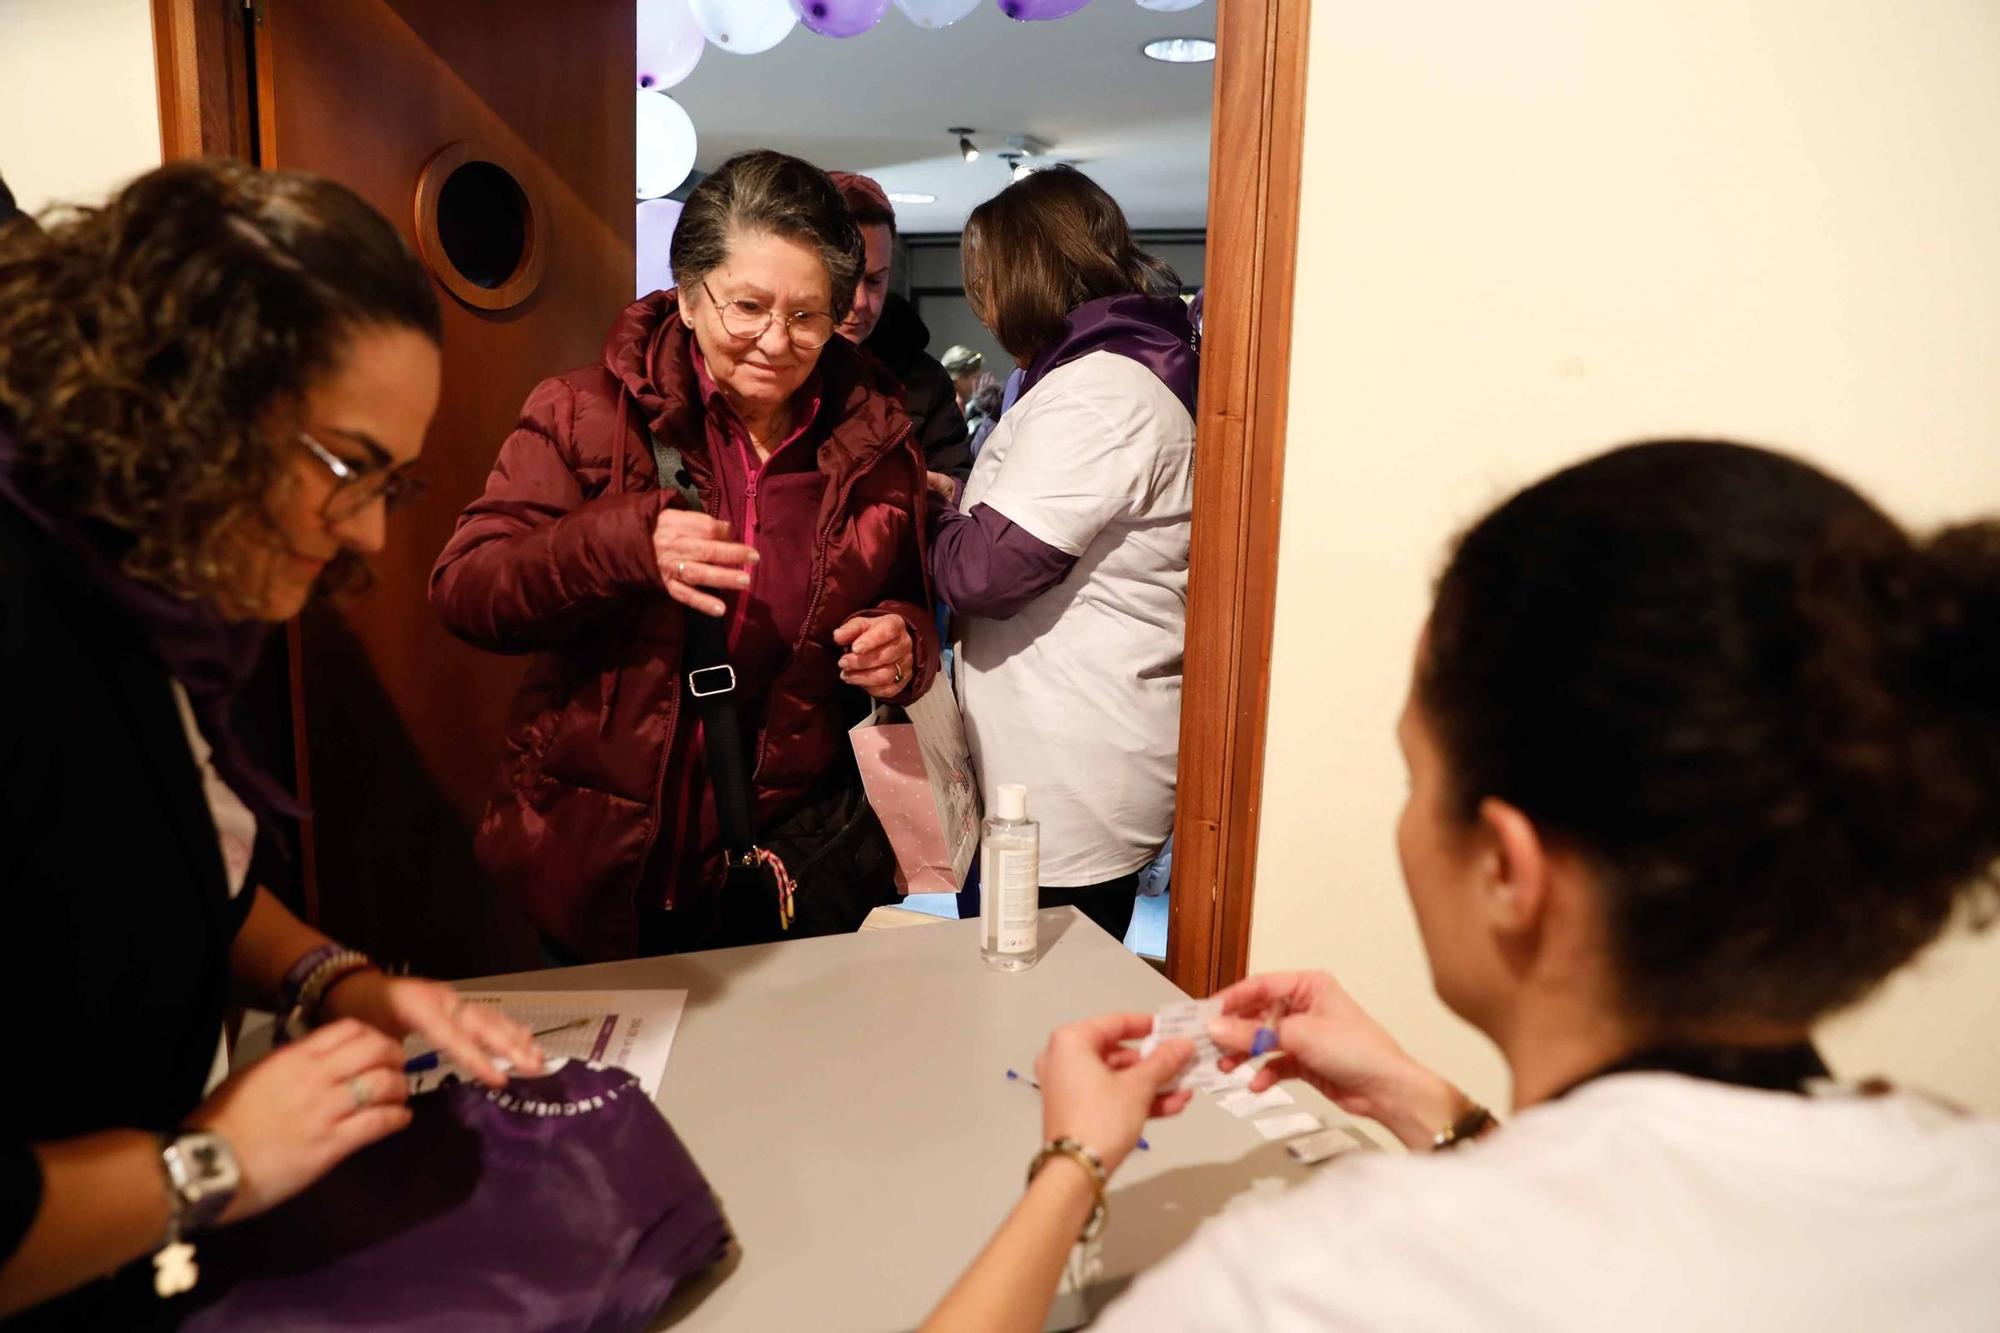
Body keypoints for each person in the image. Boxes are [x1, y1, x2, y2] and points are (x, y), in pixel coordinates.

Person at [926, 439, 2000, 1332]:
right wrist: (1434, 1108)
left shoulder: (1306, 1286)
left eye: (1414, 778)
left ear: (1506, 868)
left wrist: (1070, 1162)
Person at [0, 159, 544, 1329]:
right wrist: (207, 1163)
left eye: (391, 483)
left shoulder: (153, 588)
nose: (370, 537)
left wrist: (342, 982)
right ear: (183, 393)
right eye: (348, 467)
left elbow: (168, 872)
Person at [433, 150, 938, 963]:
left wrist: (903, 642)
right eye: (749, 305)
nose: (778, 340)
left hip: (786, 859)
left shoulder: (874, 441)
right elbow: (466, 586)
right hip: (601, 854)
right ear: (688, 292)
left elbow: (911, 602)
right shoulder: (584, 413)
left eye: (809, 315)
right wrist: (624, 541)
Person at [932, 166, 1198, 944]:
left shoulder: (1101, 391)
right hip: (1061, 760)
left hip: (1066, 778)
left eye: (983, 280)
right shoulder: (1108, 371)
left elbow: (983, 571)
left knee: (1031, 1008)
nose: (981, 304)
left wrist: (927, 510)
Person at [828, 171, 972, 484]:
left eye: (875, 280)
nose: (861, 302)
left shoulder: (925, 381)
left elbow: (956, 489)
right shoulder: (771, 364)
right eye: (845, 278)